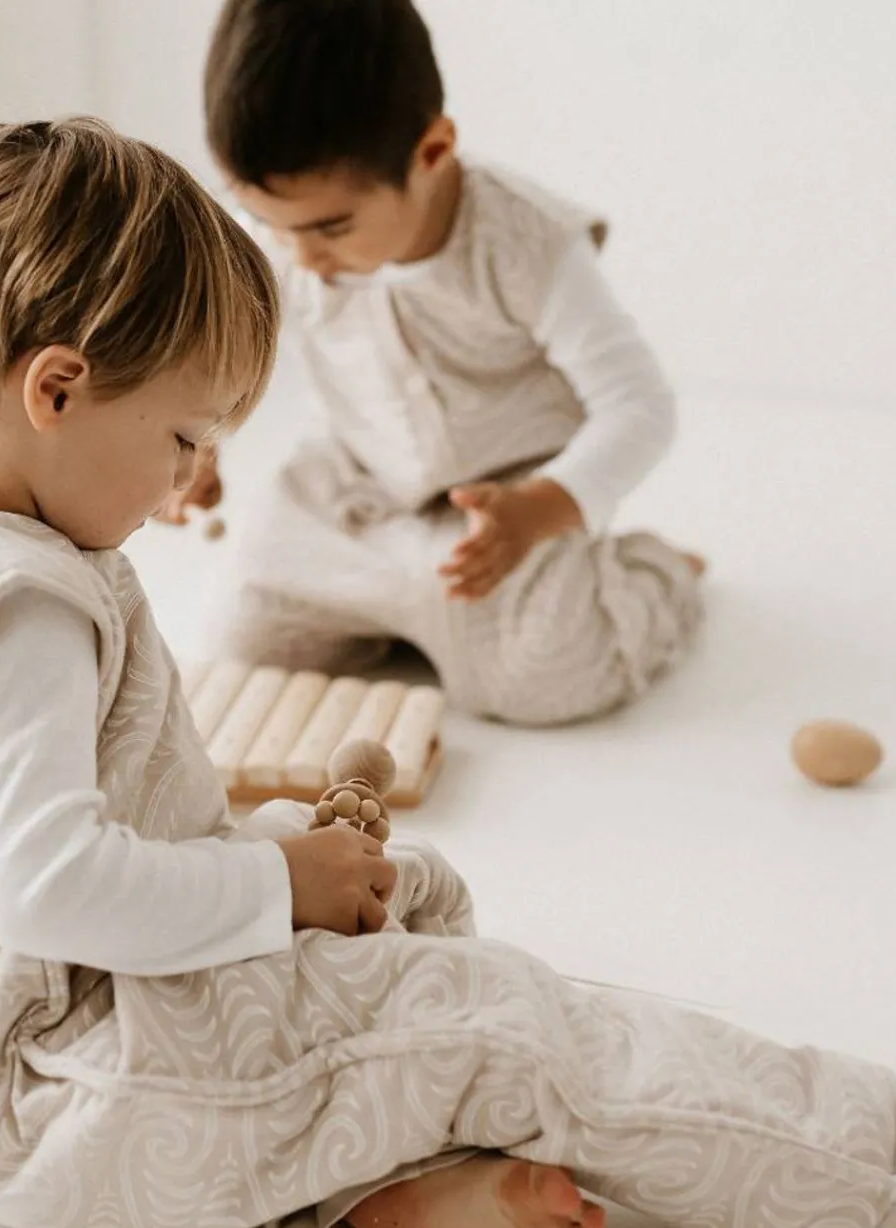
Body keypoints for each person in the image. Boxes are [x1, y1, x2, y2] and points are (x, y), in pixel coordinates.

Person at [0, 116, 896, 1228]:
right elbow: (49, 888)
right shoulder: (22, 606)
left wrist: (281, 867)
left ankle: (377, 1176)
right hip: (58, 1093)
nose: (182, 483)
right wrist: (275, 881)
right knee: (507, 1023)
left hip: (13, 1064)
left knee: (407, 895)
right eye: (182, 437)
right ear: (56, 388)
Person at [166, 0, 703, 726]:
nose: (302, 257)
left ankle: (654, 579)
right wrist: (199, 442)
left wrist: (541, 508)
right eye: (269, 222)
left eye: (332, 227)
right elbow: (222, 348)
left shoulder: (526, 245)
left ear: (431, 152)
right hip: (355, 486)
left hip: (503, 507)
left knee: (544, 679)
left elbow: (640, 406)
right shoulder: (291, 236)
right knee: (241, 643)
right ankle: (409, 612)